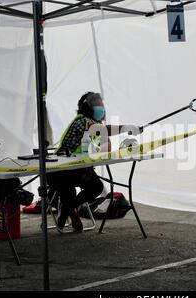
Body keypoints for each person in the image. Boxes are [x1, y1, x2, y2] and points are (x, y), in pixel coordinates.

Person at [49, 92, 141, 232]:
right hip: (61, 169)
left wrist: (109, 141)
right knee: (74, 189)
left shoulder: (93, 124)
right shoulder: (82, 121)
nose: (102, 108)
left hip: (78, 167)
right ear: (87, 107)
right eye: (98, 104)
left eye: (102, 104)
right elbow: (102, 131)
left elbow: (105, 144)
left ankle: (68, 209)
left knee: (96, 187)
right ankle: (70, 209)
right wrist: (126, 128)